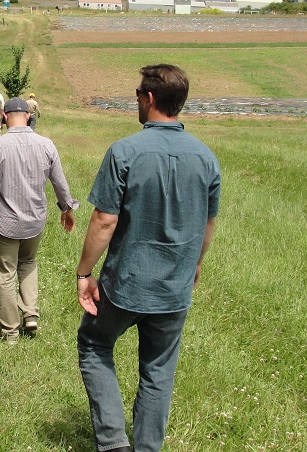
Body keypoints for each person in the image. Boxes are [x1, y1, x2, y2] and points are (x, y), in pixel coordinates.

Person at [75, 64, 221, 452]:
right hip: (174, 289)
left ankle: (112, 441)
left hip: (126, 284)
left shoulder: (124, 151)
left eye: (138, 93)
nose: (136, 99)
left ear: (150, 98)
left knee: (94, 344)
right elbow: (208, 226)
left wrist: (84, 273)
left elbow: (104, 221)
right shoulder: (206, 159)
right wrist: (195, 264)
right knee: (159, 372)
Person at [0, 97, 77, 343]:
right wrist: (67, 209)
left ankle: (10, 331)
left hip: (5, 222)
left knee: (6, 273)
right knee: (28, 262)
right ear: (28, 115)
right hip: (35, 221)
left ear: (3, 115)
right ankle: (30, 314)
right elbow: (60, 183)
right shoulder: (46, 144)